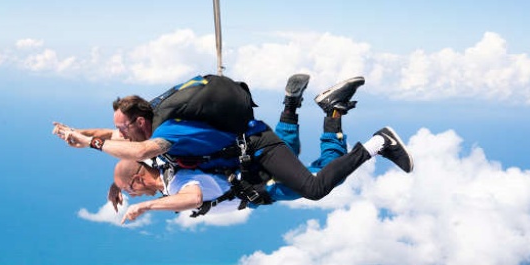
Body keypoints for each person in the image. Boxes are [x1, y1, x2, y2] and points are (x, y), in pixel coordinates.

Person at [52, 73, 412, 206]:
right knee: (294, 154)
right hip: (247, 150)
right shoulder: (151, 126)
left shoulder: (164, 135)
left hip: (254, 148)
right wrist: (80, 135)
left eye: (124, 127)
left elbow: (140, 150)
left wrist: (89, 144)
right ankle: (311, 107)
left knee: (314, 185)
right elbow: (117, 140)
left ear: (140, 122)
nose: (120, 132)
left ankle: (379, 142)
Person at [110, 74, 369, 222]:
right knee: (288, 152)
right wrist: (117, 185)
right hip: (251, 167)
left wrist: (145, 208)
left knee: (324, 177)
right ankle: (292, 104)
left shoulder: (177, 184)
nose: (132, 195)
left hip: (262, 188)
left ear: (138, 177)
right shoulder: (161, 164)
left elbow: (193, 198)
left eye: (130, 189)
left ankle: (335, 112)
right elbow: (134, 160)